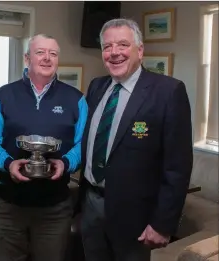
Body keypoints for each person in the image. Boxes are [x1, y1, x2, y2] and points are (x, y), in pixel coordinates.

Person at [77, 18, 193, 261]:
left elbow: (177, 167)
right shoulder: (97, 87)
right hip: (91, 207)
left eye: (122, 45)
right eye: (107, 47)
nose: (114, 53)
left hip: (136, 219)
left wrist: (163, 224)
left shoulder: (168, 92)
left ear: (140, 51)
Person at [0, 34, 88, 261]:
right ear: (27, 58)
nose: (47, 58)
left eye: (53, 53)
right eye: (40, 52)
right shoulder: (4, 95)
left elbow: (83, 144)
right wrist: (9, 164)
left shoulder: (76, 99)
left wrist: (66, 163)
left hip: (55, 209)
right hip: (8, 206)